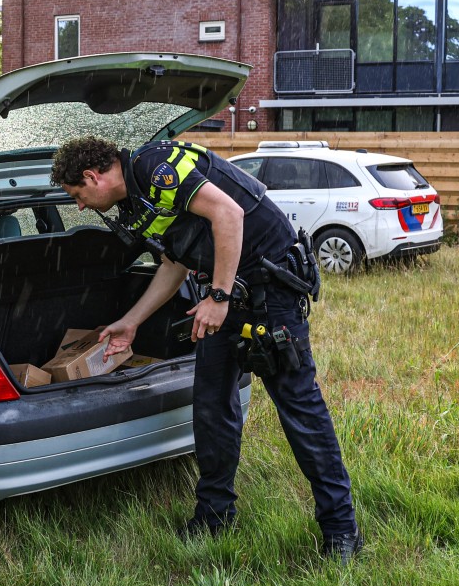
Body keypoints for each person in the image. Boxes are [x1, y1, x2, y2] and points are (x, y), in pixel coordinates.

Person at [50, 135, 362, 560]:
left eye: (78, 195)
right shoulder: (138, 202)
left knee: (300, 412)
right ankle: (215, 516)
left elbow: (228, 214)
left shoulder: (154, 166)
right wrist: (132, 321)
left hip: (271, 295)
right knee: (212, 408)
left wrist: (218, 296)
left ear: (92, 176)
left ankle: (341, 529)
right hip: (225, 298)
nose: (81, 206)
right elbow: (175, 262)